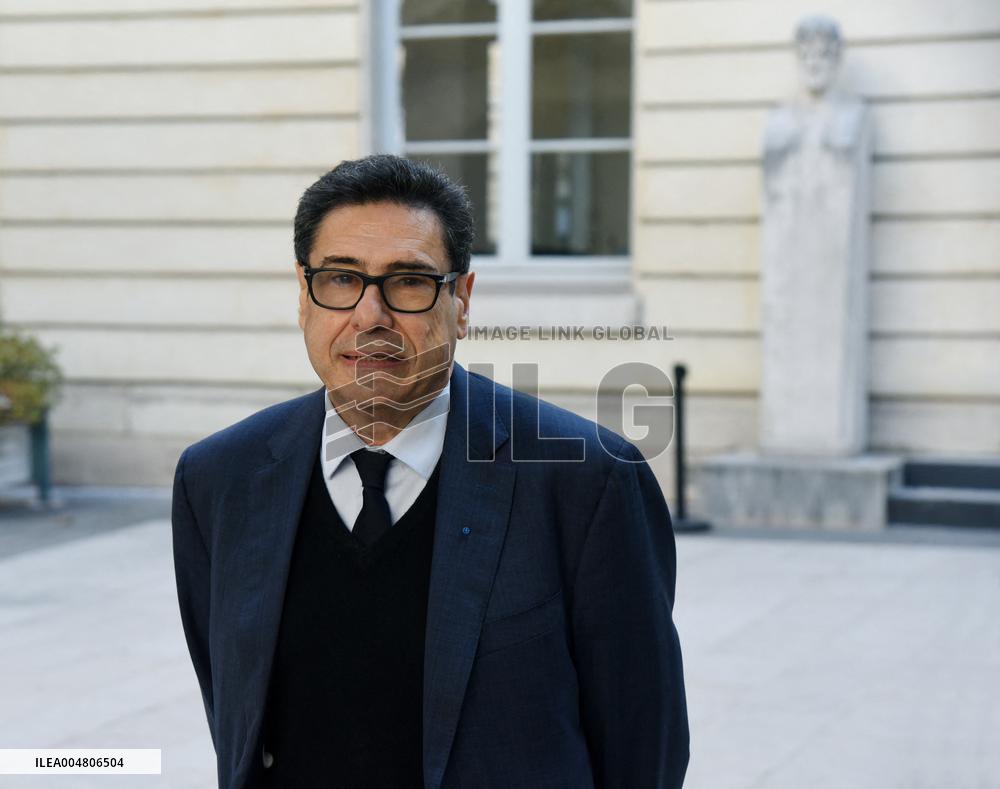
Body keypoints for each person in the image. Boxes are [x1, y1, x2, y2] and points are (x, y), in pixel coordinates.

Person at [172, 154, 689, 789]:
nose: (370, 316)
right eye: (340, 278)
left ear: (462, 302)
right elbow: (235, 716)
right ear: (304, 297)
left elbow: (644, 750)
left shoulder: (588, 482)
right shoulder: (219, 478)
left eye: (410, 282)